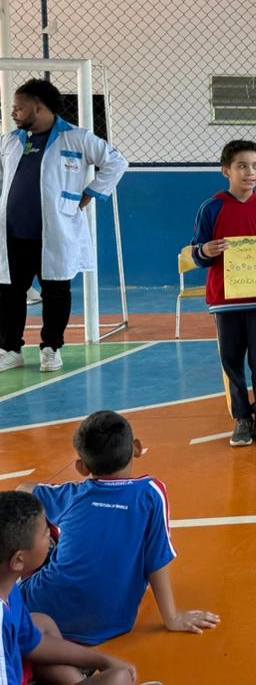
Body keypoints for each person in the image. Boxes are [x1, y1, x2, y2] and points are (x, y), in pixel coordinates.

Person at [15, 411, 219, 647]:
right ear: (137, 448)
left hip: (40, 607)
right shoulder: (150, 494)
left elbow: (23, 491)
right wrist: (171, 618)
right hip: (113, 621)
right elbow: (156, 559)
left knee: (38, 525)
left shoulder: (71, 495)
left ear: (82, 467)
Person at [0, 80, 127, 375]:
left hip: (56, 233)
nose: (13, 113)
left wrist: (90, 193)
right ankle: (10, 350)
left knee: (56, 291)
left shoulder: (77, 138)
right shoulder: (10, 141)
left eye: (19, 108)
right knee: (8, 293)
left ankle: (51, 348)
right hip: (13, 233)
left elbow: (116, 162)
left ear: (38, 107)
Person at [190, 140, 256, 447]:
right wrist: (205, 250)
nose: (250, 172)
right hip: (225, 301)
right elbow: (196, 252)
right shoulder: (211, 208)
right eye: (242, 166)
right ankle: (242, 419)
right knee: (231, 362)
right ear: (226, 171)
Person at [2, 491, 137, 685]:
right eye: (45, 534)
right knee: (118, 680)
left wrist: (102, 660)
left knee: (41, 622)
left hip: (13, 667)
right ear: (18, 560)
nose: (51, 537)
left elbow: (34, 642)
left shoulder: (7, 584)